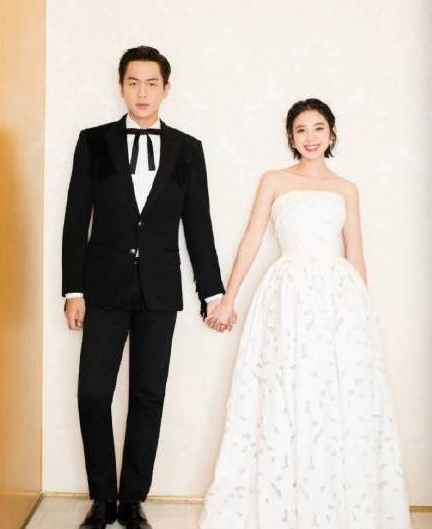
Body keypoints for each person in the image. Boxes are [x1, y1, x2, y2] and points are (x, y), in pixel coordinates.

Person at [200, 98, 411, 528]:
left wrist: (363, 315)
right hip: (287, 295)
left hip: (338, 299)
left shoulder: (346, 189)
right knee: (284, 388)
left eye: (318, 128)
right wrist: (228, 298)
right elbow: (251, 240)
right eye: (301, 129)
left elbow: (356, 253)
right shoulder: (274, 180)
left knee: (336, 395)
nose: (310, 137)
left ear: (332, 133)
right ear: (290, 137)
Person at [62, 46, 234, 529]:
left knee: (147, 396)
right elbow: (76, 219)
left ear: (166, 89)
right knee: (92, 393)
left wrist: (212, 293)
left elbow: (197, 225)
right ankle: (103, 499)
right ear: (121, 86)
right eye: (133, 82)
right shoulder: (93, 142)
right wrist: (72, 290)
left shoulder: (187, 148)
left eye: (151, 83)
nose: (142, 92)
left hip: (159, 291)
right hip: (103, 289)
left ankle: (133, 500)